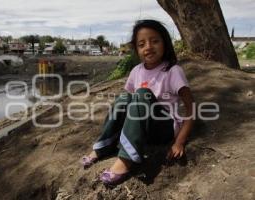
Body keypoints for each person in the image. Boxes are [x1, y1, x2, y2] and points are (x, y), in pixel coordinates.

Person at [82, 19, 194, 185]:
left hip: (164, 128)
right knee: (124, 98)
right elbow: (126, 105)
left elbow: (191, 110)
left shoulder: (172, 71)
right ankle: (103, 146)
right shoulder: (136, 71)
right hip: (144, 128)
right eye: (142, 44)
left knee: (142, 94)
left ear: (165, 43)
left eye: (155, 41)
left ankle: (127, 160)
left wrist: (179, 142)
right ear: (137, 49)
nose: (148, 47)